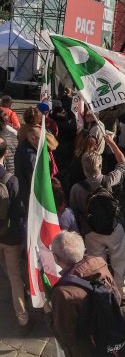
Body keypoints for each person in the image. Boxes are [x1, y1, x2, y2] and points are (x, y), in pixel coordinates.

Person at [68, 133, 125, 304]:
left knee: (98, 263)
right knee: (119, 261)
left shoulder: (76, 188)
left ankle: (104, 291)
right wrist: (111, 143)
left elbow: (74, 212)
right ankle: (123, 293)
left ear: (83, 167)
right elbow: (123, 163)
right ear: (101, 165)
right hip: (113, 227)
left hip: (91, 231)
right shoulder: (109, 180)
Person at [47, 231, 122, 356]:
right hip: (109, 335)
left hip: (86, 349)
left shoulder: (63, 292)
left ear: (55, 258)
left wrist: (48, 314)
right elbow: (117, 298)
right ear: (83, 249)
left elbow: (66, 337)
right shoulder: (100, 264)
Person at [0, 137, 30, 331]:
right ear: (5, 153)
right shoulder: (11, 180)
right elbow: (20, 211)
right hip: (9, 236)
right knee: (15, 277)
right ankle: (22, 317)